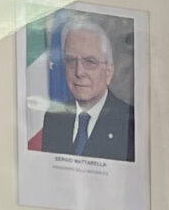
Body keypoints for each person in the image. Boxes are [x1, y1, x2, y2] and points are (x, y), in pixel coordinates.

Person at [36, 16, 136, 161]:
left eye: (90, 62)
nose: (79, 72)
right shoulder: (54, 118)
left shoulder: (129, 122)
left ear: (109, 72)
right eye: (71, 61)